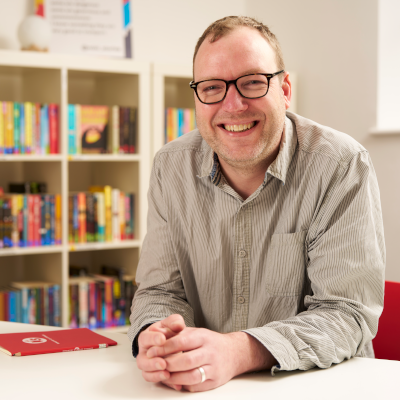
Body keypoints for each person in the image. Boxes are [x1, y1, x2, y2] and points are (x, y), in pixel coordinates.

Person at [128, 16, 385, 392]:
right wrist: (156, 335)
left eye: (252, 82)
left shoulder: (341, 165)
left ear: (284, 90)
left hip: (321, 386)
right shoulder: (171, 167)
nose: (233, 104)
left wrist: (238, 351)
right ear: (197, 98)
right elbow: (159, 292)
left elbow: (346, 315)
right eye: (213, 87)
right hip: (205, 387)